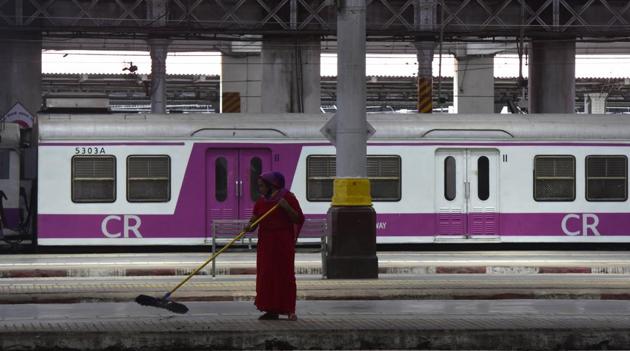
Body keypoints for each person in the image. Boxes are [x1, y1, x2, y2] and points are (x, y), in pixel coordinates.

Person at [246, 171, 304, 321]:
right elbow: (254, 222)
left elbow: (298, 218)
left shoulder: (288, 198)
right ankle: (271, 310)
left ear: (272, 186)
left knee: (285, 274)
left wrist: (286, 207)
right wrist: (249, 226)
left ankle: (289, 309)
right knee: (267, 275)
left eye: (262, 186)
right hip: (266, 243)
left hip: (282, 242)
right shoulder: (261, 202)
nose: (259, 189)